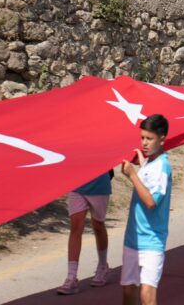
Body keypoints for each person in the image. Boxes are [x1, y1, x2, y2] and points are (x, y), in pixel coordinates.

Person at [120, 114, 172, 305]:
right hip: (132, 239)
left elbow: (150, 202)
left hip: (152, 241)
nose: (144, 143)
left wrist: (133, 175)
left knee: (146, 297)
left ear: (162, 139)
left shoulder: (163, 167)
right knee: (128, 293)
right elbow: (147, 178)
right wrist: (142, 167)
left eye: (149, 139)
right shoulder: (149, 164)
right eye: (142, 138)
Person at [57, 171, 112, 295]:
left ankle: (102, 266)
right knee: (76, 227)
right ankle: (71, 277)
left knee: (98, 226)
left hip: (99, 186)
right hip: (77, 184)